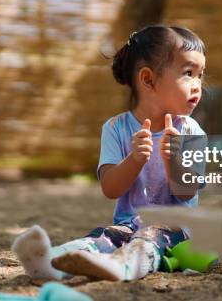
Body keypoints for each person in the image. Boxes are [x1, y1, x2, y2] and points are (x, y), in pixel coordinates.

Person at [12, 25, 207, 281]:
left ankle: (123, 267)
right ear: (148, 79)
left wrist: (173, 159)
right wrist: (135, 159)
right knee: (101, 237)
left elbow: (187, 191)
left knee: (149, 238)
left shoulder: (191, 131)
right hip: (128, 224)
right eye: (188, 73)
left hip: (177, 227)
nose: (197, 85)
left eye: (201, 75)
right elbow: (111, 189)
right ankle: (48, 261)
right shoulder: (116, 128)